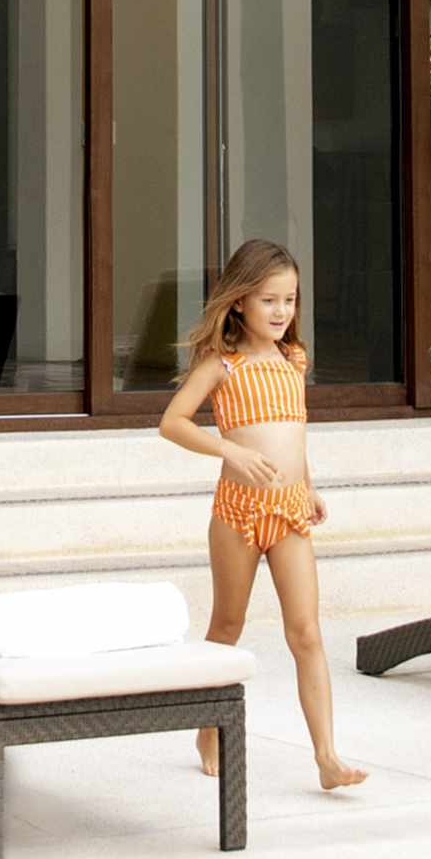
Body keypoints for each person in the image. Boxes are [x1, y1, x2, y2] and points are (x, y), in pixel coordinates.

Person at [156, 239, 364, 794]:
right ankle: (206, 730)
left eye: (290, 300)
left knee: (308, 633)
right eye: (269, 299)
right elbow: (172, 422)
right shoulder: (221, 365)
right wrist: (230, 451)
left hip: (290, 510)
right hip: (238, 512)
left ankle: (326, 756)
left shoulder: (294, 360)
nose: (280, 312)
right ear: (240, 301)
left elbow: (295, 431)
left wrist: (309, 485)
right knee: (227, 625)